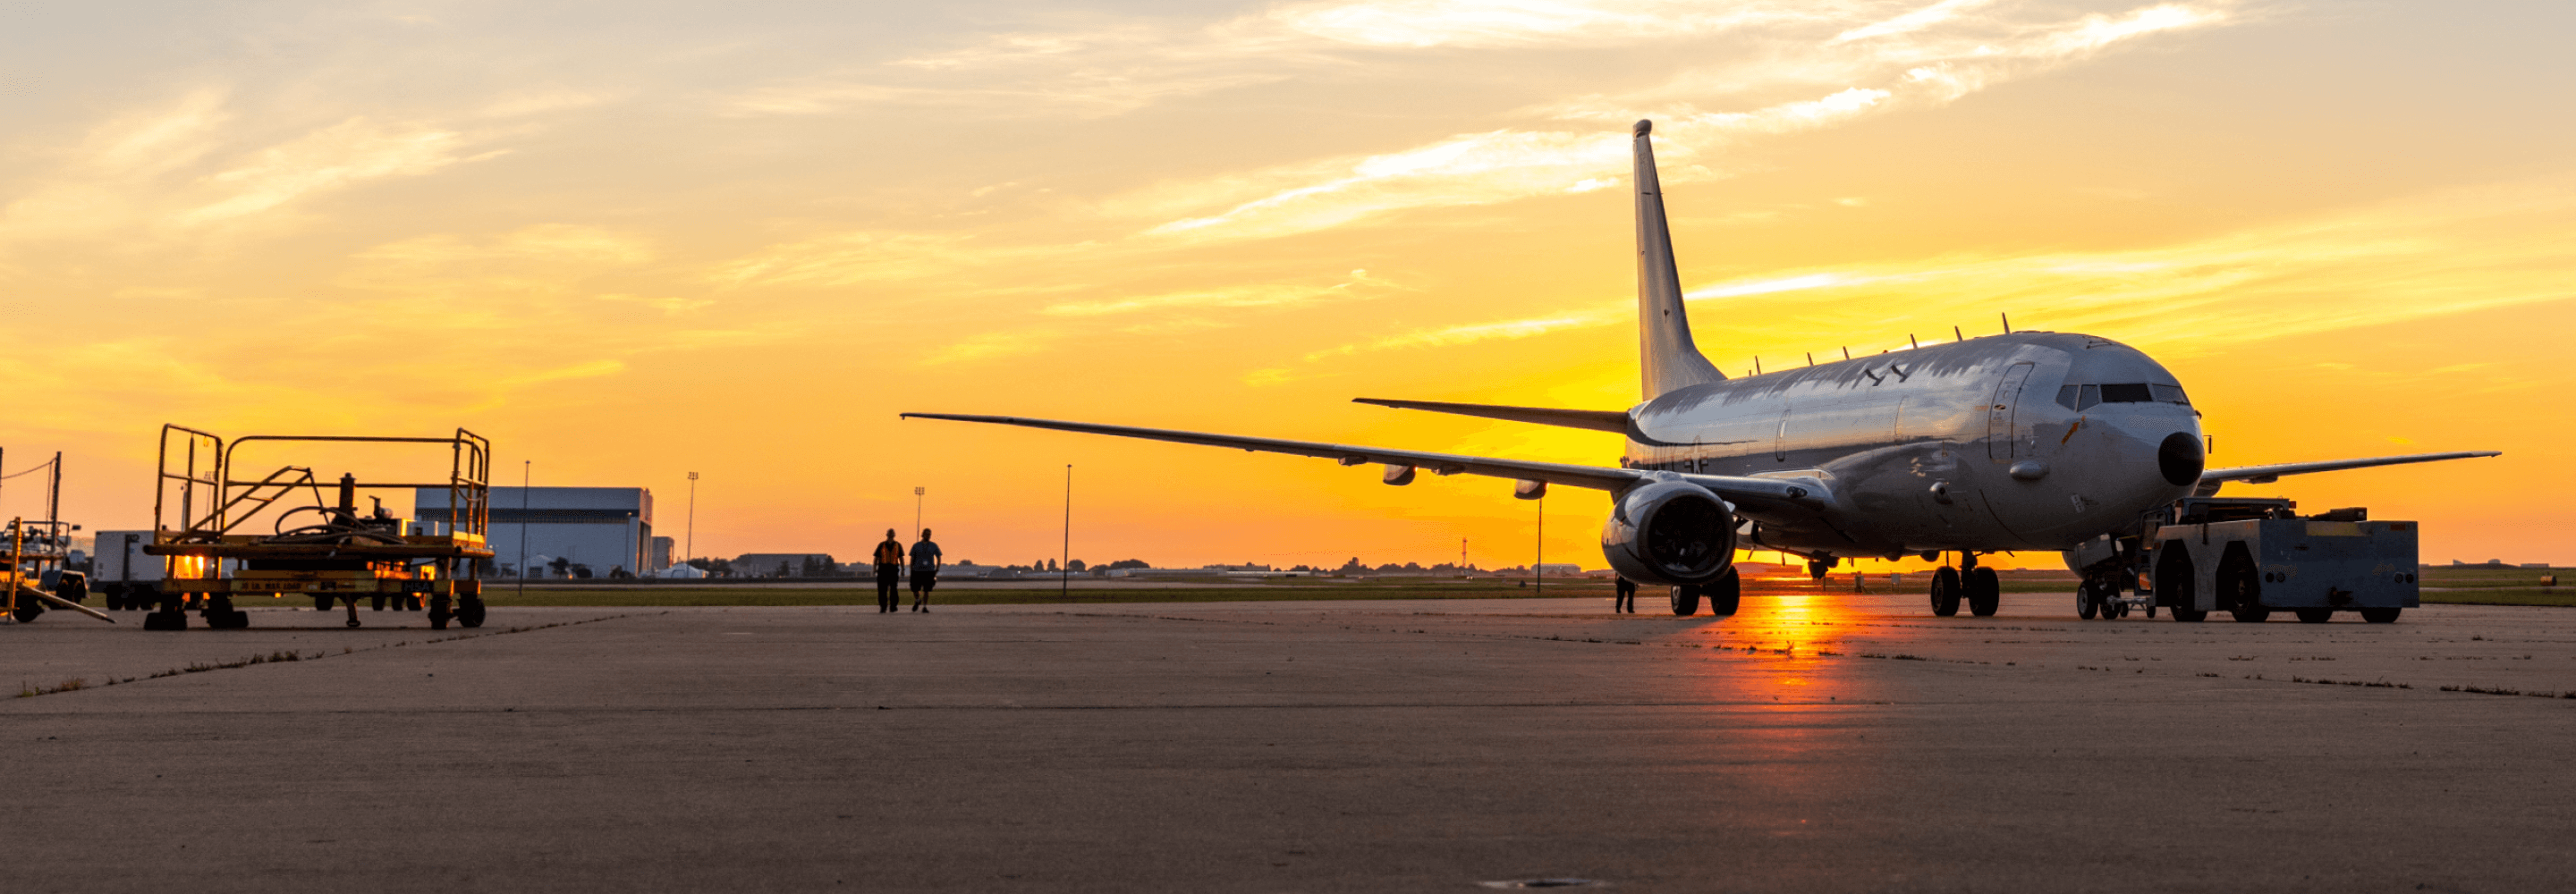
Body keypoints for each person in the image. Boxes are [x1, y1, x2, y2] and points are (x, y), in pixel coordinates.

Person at [910, 528, 944, 612]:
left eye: (929, 534)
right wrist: (911, 569)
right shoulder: (916, 545)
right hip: (917, 571)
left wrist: (937, 568)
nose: (928, 536)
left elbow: (939, 557)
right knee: (915, 589)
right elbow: (912, 558)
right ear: (922, 535)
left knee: (926, 590)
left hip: (929, 571)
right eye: (926, 534)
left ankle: (924, 607)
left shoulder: (933, 545)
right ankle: (917, 600)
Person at [872, 529, 905, 613]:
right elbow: (876, 558)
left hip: (893, 569)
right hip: (883, 569)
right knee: (882, 589)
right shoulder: (881, 545)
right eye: (889, 533)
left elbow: (901, 558)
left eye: (892, 533)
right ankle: (883, 607)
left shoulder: (898, 545)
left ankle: (893, 606)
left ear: (894, 535)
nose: (890, 535)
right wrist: (874, 568)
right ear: (887, 535)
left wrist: (903, 569)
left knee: (893, 589)